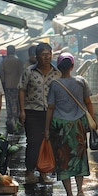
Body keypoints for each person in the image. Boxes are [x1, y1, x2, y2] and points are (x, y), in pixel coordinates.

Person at [44, 52, 94, 196]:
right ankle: (80, 191)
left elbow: (51, 108)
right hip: (78, 125)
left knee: (63, 159)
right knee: (79, 157)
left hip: (61, 127)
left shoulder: (54, 84)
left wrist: (46, 129)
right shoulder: (81, 81)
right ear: (72, 66)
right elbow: (88, 102)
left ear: (58, 68)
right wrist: (92, 120)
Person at [18, 43, 61, 184]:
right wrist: (22, 110)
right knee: (34, 142)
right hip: (32, 112)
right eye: (43, 54)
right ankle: (29, 171)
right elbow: (22, 90)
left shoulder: (57, 73)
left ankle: (43, 172)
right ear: (37, 56)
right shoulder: (29, 72)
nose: (46, 57)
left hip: (51, 113)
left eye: (49, 53)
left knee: (48, 142)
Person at [0, 45, 24, 134]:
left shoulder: (4, 62)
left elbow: (2, 74)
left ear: (7, 51)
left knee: (9, 103)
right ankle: (16, 121)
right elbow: (22, 74)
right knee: (16, 103)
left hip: (8, 86)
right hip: (17, 86)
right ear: (14, 51)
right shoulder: (18, 61)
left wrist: (3, 84)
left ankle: (11, 120)